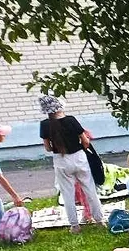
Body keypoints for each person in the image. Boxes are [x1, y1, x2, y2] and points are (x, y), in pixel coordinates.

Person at [38, 95, 105, 233]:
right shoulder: (71, 120)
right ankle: (99, 220)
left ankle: (75, 226)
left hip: (60, 160)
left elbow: (48, 148)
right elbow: (85, 141)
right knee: (90, 190)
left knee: (67, 194)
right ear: (59, 106)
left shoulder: (44, 125)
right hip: (79, 157)